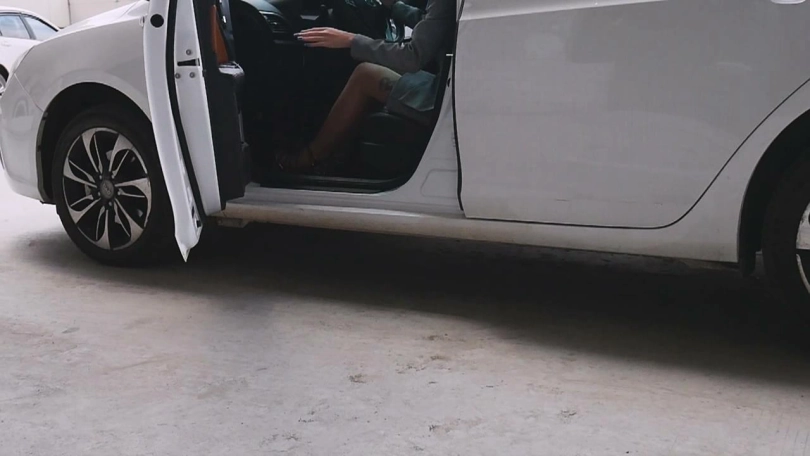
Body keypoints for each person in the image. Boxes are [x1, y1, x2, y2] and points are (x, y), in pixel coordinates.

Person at [277, 0, 456, 173]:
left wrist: (350, 40)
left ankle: (310, 158)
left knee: (365, 75)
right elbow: (437, 23)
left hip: (444, 98)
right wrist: (395, 6)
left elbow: (412, 57)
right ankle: (340, 153)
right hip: (451, 86)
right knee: (374, 63)